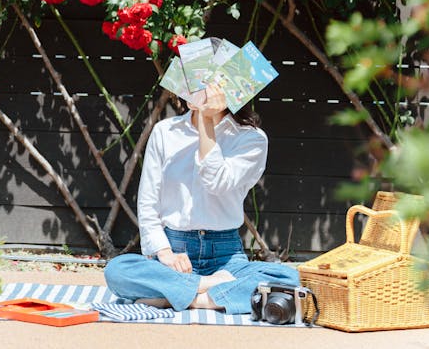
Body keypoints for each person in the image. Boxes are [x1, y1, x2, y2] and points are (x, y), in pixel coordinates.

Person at [104, 83, 300, 314]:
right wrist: (164, 252)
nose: (194, 88)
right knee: (116, 271)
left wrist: (206, 122)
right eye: (191, 79)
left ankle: (190, 299)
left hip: (226, 258)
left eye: (207, 83)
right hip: (176, 253)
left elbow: (216, 182)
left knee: (289, 276)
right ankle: (210, 290)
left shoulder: (252, 139)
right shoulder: (165, 131)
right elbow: (148, 200)